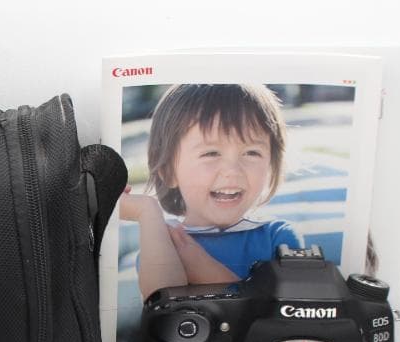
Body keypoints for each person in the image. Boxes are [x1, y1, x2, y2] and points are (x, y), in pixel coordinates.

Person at [119, 84, 303, 298]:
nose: (233, 171)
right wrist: (147, 211)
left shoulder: (277, 237)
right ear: (169, 171)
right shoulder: (162, 243)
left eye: (251, 152)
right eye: (211, 153)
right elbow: (162, 303)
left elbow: (284, 310)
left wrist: (199, 265)